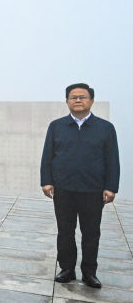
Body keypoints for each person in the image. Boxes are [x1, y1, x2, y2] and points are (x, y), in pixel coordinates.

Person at [41, 83, 120, 289]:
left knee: (91, 233)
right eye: (73, 97)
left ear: (91, 101)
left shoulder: (105, 128)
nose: (77, 100)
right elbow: (47, 155)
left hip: (93, 190)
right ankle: (67, 269)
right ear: (67, 101)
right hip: (63, 189)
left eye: (82, 97)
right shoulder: (56, 126)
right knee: (65, 231)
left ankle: (89, 273)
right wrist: (46, 181)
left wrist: (111, 187)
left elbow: (112, 159)